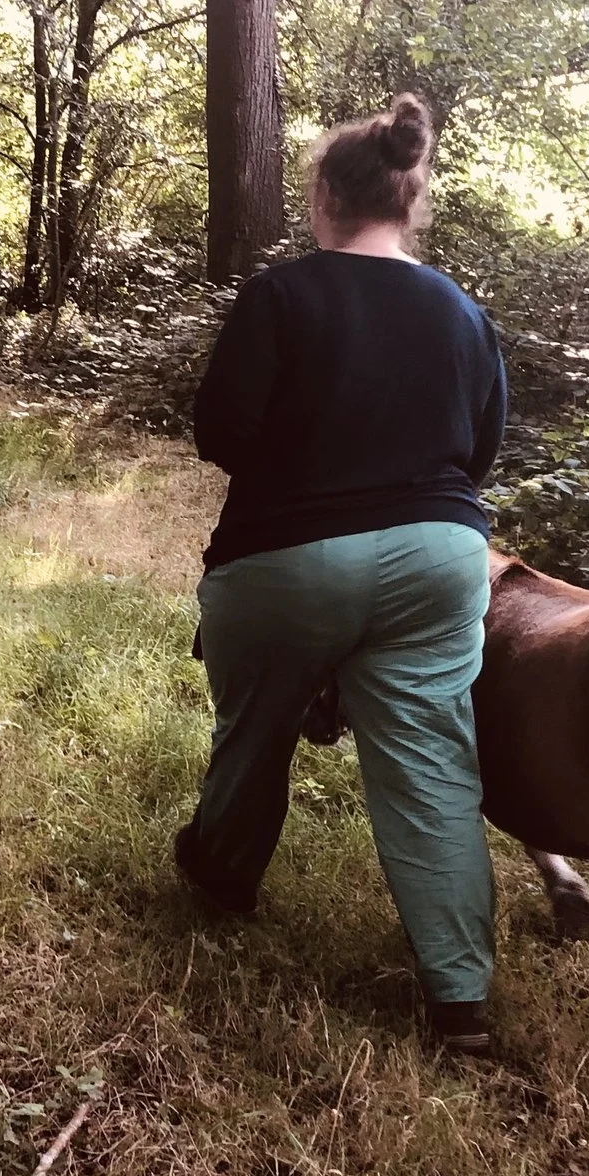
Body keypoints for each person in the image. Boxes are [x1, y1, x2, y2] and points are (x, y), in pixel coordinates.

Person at [176, 94, 509, 1056]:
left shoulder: (282, 297)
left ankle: (223, 875)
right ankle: (460, 998)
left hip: (287, 562)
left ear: (325, 194)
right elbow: (479, 452)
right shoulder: (462, 311)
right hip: (443, 560)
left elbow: (220, 433)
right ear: (412, 201)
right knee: (434, 768)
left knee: (256, 726)